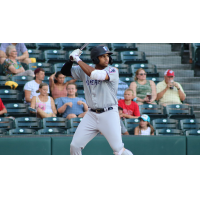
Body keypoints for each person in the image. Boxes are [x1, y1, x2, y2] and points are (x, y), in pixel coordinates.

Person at [61, 45, 133, 155]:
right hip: (91, 114)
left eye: (107, 56)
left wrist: (78, 59)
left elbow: (94, 74)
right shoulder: (85, 69)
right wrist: (70, 60)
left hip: (109, 113)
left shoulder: (113, 70)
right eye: (102, 56)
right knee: (74, 146)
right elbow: (65, 72)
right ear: (95, 59)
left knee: (118, 149)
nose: (106, 58)